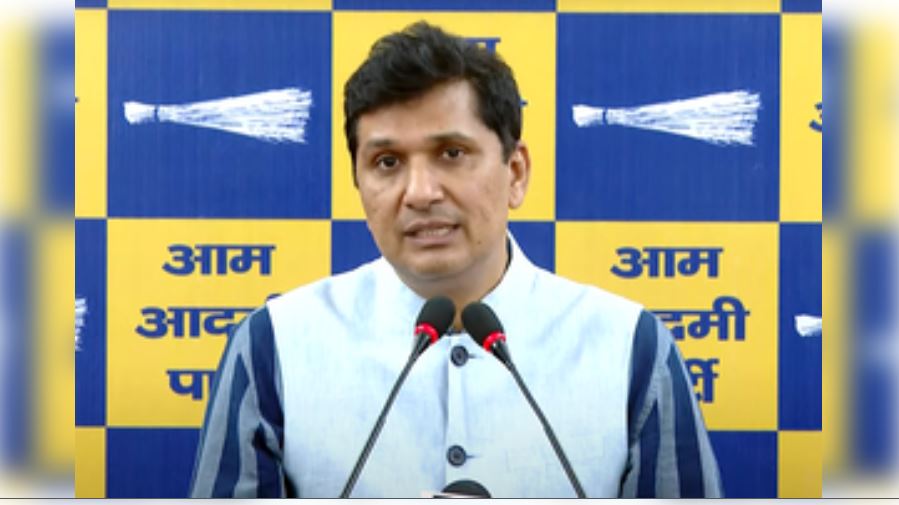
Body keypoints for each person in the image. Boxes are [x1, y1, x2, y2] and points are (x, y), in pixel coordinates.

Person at [189, 21, 722, 498]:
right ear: (359, 184)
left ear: (516, 173)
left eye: (452, 154)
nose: (420, 192)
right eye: (387, 162)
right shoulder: (274, 346)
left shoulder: (630, 348)